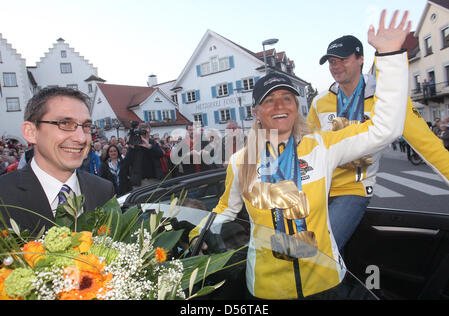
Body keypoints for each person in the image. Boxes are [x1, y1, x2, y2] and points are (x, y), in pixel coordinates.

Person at [189, 10, 411, 299]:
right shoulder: (241, 161)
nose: (279, 105)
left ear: (296, 106)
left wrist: (391, 56)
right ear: (256, 112)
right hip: (268, 290)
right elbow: (226, 209)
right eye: (269, 100)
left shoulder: (321, 146)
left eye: (287, 97)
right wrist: (197, 235)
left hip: (326, 281)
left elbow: (385, 129)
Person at [308, 25, 449, 253]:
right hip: (318, 187)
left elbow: (430, 147)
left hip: (352, 190)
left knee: (321, 249)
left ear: (361, 59)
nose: (336, 66)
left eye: (343, 59)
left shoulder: (387, 100)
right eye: (332, 62)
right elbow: (307, 145)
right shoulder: (320, 101)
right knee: (302, 250)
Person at [0, 87, 115, 233]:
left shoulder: (103, 190)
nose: (81, 138)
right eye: (65, 124)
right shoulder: (3, 195)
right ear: (31, 132)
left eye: (86, 126)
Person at [122, 122, 164, 189]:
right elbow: (127, 161)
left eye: (147, 132)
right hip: (140, 181)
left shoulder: (152, 142)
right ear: (139, 132)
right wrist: (131, 148)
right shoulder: (135, 144)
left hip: (154, 179)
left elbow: (160, 154)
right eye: (143, 132)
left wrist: (149, 146)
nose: (145, 134)